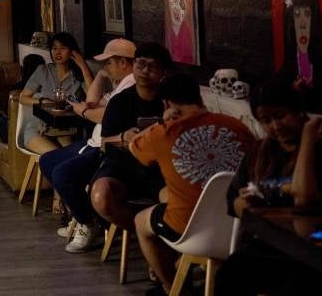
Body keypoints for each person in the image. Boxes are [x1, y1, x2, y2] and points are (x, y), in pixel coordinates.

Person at [215, 80, 322, 296]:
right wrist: (246, 203)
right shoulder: (261, 152)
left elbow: (305, 199)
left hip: (314, 252)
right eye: (266, 120)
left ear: (298, 111)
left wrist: (307, 140)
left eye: (280, 115)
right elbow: (234, 204)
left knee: (296, 284)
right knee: (230, 273)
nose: (276, 126)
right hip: (273, 244)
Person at [131, 73, 255, 295]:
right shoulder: (237, 126)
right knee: (166, 193)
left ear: (166, 103)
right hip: (240, 227)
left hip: (189, 230)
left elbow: (134, 148)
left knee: (141, 221)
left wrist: (162, 121)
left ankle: (172, 289)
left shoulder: (164, 132)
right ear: (199, 96)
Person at [41, 37, 137, 251]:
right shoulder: (121, 83)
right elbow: (92, 101)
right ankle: (81, 216)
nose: (106, 67)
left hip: (106, 147)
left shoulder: (131, 86)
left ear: (123, 63)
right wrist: (100, 74)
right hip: (94, 141)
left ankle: (88, 224)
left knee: (62, 174)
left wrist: (83, 111)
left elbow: (97, 113)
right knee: (47, 161)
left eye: (108, 63)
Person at [88, 42, 171, 247]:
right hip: (122, 165)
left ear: (162, 73)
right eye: (141, 64)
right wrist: (125, 136)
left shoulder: (169, 101)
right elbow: (105, 142)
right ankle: (145, 235)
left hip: (159, 168)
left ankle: (161, 242)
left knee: (177, 202)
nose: (144, 71)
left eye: (152, 67)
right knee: (100, 196)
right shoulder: (121, 101)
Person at [19, 32, 93, 155]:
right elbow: (23, 98)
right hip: (39, 127)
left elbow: (93, 97)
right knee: (57, 155)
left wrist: (83, 66)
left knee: (70, 156)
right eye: (54, 48)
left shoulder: (78, 76)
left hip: (66, 129)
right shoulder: (43, 70)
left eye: (63, 48)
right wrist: (43, 101)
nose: (57, 52)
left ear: (72, 51)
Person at [276, 0, 322, 93]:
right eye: (297, 14)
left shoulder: (321, 68)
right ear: (290, 20)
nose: (303, 24)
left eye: (307, 14)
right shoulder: (286, 70)